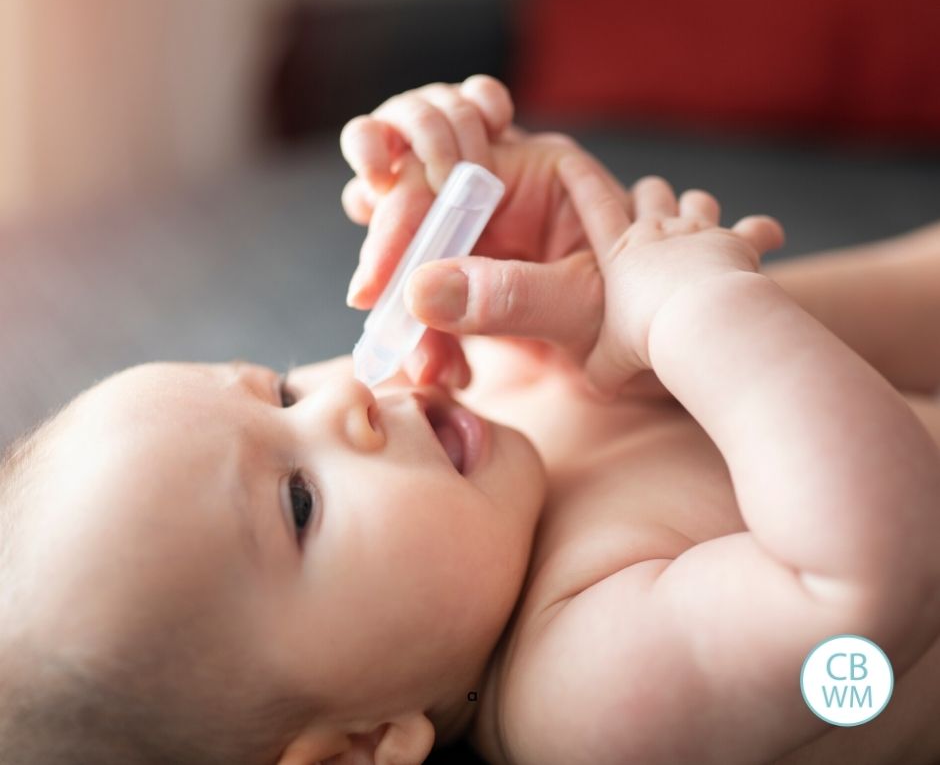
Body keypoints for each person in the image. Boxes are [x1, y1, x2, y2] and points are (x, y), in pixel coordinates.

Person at [0, 76, 936, 765]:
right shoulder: (584, 690)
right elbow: (869, 581)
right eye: (296, 504)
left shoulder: (491, 415)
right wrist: (699, 314)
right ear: (359, 747)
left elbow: (893, 315)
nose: (347, 401)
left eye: (281, 391)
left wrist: (552, 240)